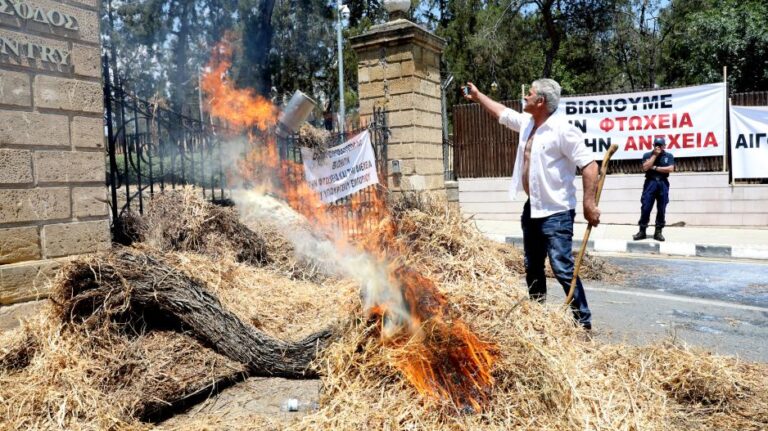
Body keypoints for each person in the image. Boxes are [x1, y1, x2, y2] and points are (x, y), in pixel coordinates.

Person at [463, 79, 600, 330]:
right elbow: (502, 114)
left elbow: (591, 166)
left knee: (561, 267)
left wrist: (588, 204)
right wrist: (478, 95)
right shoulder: (528, 124)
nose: (524, 96)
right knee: (532, 266)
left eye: (530, 93)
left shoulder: (563, 130)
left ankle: (583, 322)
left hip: (557, 211)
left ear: (541, 102)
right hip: (533, 208)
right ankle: (536, 317)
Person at [633, 137, 675, 241]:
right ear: (653, 145)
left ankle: (658, 232)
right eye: (656, 145)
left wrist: (655, 168)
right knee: (646, 207)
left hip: (662, 183)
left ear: (664, 146)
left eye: (660, 145)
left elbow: (670, 169)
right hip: (650, 183)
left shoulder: (668, 156)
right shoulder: (647, 155)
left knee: (661, 208)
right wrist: (654, 155)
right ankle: (642, 230)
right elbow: (645, 167)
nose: (658, 147)